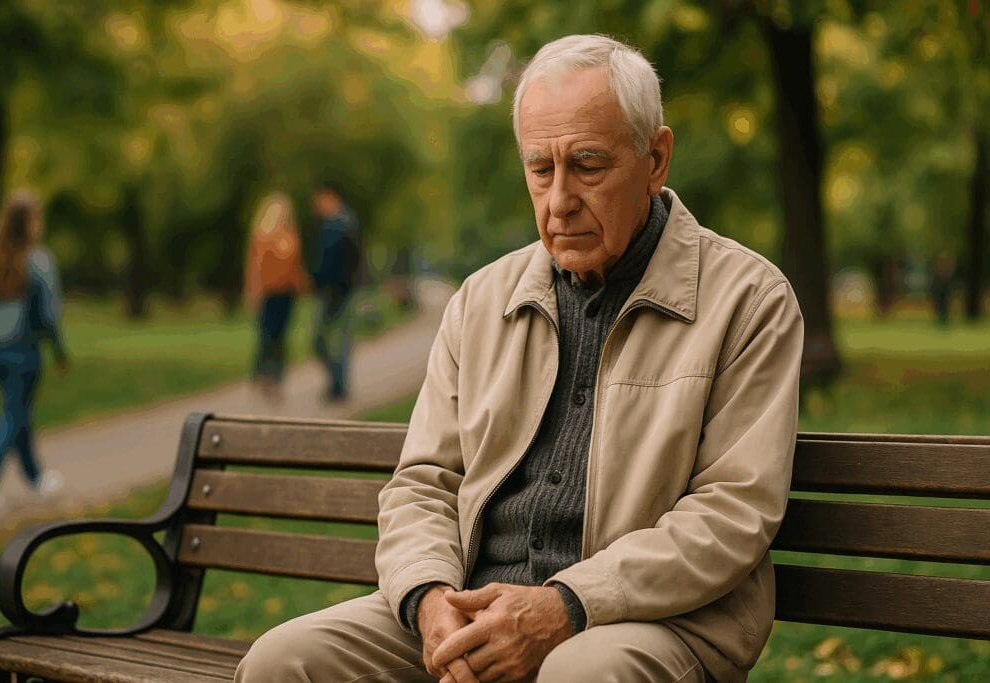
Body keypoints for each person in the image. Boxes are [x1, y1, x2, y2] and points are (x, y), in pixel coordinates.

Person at [237, 34, 803, 683]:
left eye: (588, 165)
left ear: (656, 157)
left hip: (648, 622)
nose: (559, 199)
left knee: (579, 674)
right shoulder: (480, 301)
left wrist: (564, 605)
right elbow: (423, 483)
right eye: (541, 168)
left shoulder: (748, 299)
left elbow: (732, 512)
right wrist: (428, 600)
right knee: (282, 663)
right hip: (473, 607)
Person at [0, 190, 69, 518]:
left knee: (18, 410)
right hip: (24, 350)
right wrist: (60, 351)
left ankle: (37, 478)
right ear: (31, 223)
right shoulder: (37, 261)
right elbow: (50, 314)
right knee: (14, 414)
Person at [244, 192, 309, 392]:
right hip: (267, 292)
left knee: (281, 335)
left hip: (286, 293)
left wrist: (303, 286)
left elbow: (296, 266)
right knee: (266, 333)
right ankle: (262, 372)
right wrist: (252, 290)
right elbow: (254, 267)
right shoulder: (261, 236)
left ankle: (276, 376)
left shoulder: (290, 235)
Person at [309, 181, 361, 401]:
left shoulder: (343, 224)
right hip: (331, 291)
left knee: (335, 339)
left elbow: (346, 261)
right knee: (323, 341)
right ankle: (336, 383)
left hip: (339, 292)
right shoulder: (335, 224)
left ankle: (338, 386)